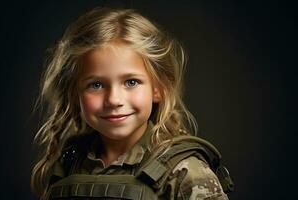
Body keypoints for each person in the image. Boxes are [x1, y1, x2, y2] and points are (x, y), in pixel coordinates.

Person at [31, 7, 233, 200]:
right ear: (75, 94)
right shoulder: (69, 164)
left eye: (131, 82)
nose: (113, 100)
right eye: (96, 84)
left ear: (158, 89)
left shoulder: (185, 172)